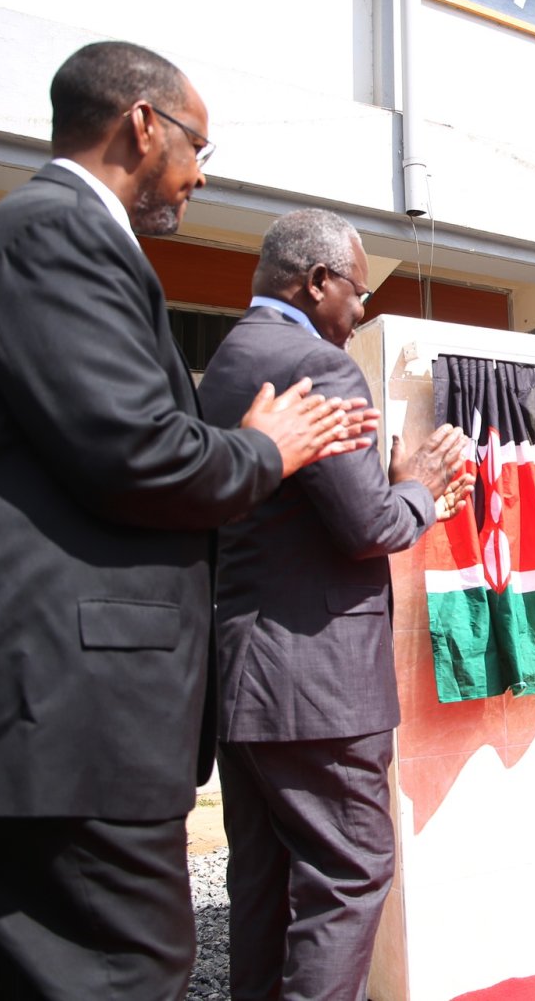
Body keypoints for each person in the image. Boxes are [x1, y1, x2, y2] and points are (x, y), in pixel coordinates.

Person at [0, 42, 379, 997]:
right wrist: (271, 446)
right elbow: (139, 456)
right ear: (143, 124)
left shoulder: (53, 242)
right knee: (123, 969)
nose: (201, 174)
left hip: (33, 706)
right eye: (197, 146)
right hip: (46, 705)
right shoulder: (58, 234)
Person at [197, 210, 471, 1000]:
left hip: (246, 679)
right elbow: (368, 526)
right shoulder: (318, 365)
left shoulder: (229, 360)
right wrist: (419, 484)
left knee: (263, 881)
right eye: (357, 291)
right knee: (350, 873)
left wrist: (386, 483)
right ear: (316, 282)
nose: (361, 311)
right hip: (317, 687)